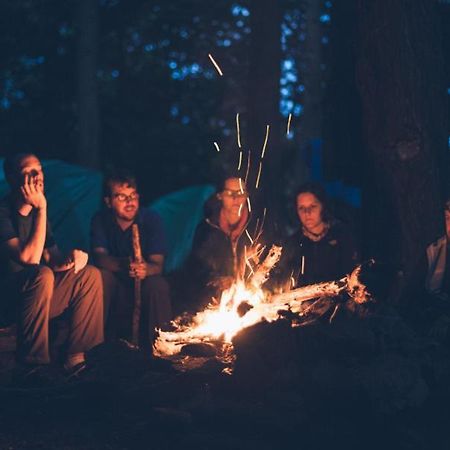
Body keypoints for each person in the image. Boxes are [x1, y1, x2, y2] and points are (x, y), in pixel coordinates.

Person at [0, 153, 104, 385]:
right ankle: (33, 365)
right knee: (41, 273)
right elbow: (29, 258)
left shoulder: (38, 216)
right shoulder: (3, 212)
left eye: (40, 170)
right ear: (12, 178)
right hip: (7, 301)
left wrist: (72, 259)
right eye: (29, 172)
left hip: (36, 298)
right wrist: (42, 208)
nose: (38, 177)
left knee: (89, 275)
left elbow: (52, 258)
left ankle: (77, 359)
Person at [90, 171, 172, 350]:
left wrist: (145, 269)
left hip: (144, 282)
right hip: (117, 282)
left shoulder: (151, 219)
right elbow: (99, 257)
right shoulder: (101, 220)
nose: (130, 202)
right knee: (100, 277)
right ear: (108, 201)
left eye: (133, 195)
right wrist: (123, 265)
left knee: (157, 285)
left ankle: (162, 347)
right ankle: (97, 346)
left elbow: (158, 264)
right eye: (121, 197)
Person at [183, 175, 262, 309]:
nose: (236, 198)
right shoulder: (207, 229)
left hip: (252, 298)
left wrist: (257, 262)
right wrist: (216, 280)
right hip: (215, 302)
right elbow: (197, 268)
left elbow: (273, 264)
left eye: (241, 193)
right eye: (230, 193)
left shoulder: (257, 227)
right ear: (220, 196)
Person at [274, 182, 358, 290]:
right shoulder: (292, 245)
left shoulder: (342, 235)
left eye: (313, 206)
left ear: (323, 206)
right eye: (301, 208)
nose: (307, 213)